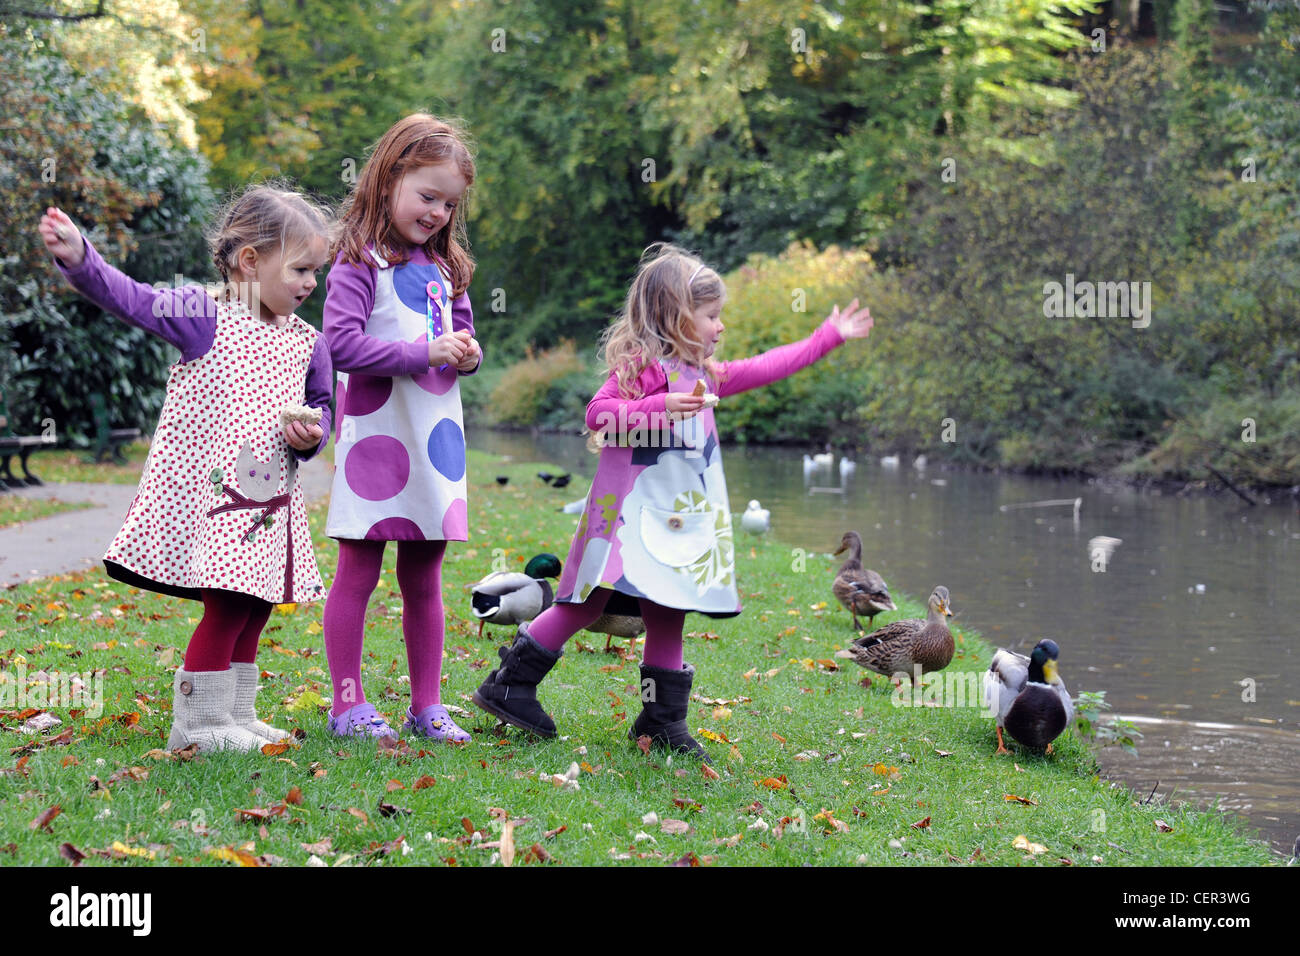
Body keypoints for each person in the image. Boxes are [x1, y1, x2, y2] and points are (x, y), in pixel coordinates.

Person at [473, 243, 874, 759]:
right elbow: (600, 415)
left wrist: (827, 337)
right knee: (586, 602)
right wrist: (659, 405)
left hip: (674, 527)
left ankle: (661, 720)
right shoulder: (643, 367)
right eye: (711, 316)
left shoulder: (705, 375)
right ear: (675, 317)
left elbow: (770, 366)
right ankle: (509, 685)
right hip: (625, 520)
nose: (720, 327)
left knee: (669, 610)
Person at [38, 183, 335, 752]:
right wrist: (80, 258)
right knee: (226, 605)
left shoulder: (308, 343)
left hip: (269, 507)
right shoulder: (203, 315)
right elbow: (131, 297)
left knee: (257, 604)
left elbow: (323, 409)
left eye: (315, 272)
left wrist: (311, 435)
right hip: (214, 500)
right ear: (250, 262)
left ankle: (236, 715)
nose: (309, 283)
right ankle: (195, 726)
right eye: (300, 269)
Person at [321, 114, 482, 742]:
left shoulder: (448, 268)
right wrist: (425, 355)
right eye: (427, 195)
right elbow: (341, 344)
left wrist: (467, 352)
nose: (438, 212)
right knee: (358, 570)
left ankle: (427, 704)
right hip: (377, 436)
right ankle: (346, 703)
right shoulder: (357, 261)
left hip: (434, 441)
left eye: (449, 202)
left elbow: (462, 336)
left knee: (426, 575)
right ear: (389, 178)